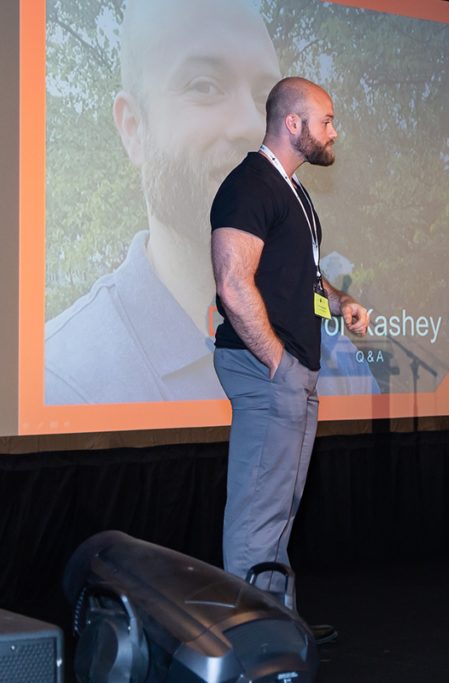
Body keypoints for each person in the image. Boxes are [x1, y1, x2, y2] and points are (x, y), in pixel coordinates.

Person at [43, 0, 377, 404]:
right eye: (203, 86)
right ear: (133, 129)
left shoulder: (336, 362)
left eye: (266, 99)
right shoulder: (63, 381)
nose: (251, 125)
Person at [211, 77, 366, 600]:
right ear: (293, 124)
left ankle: (276, 626)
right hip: (268, 371)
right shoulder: (250, 185)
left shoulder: (294, 192)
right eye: (327, 121)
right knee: (259, 515)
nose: (334, 132)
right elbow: (233, 285)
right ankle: (248, 635)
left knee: (278, 512)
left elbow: (304, 278)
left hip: (293, 374)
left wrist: (340, 303)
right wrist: (277, 363)